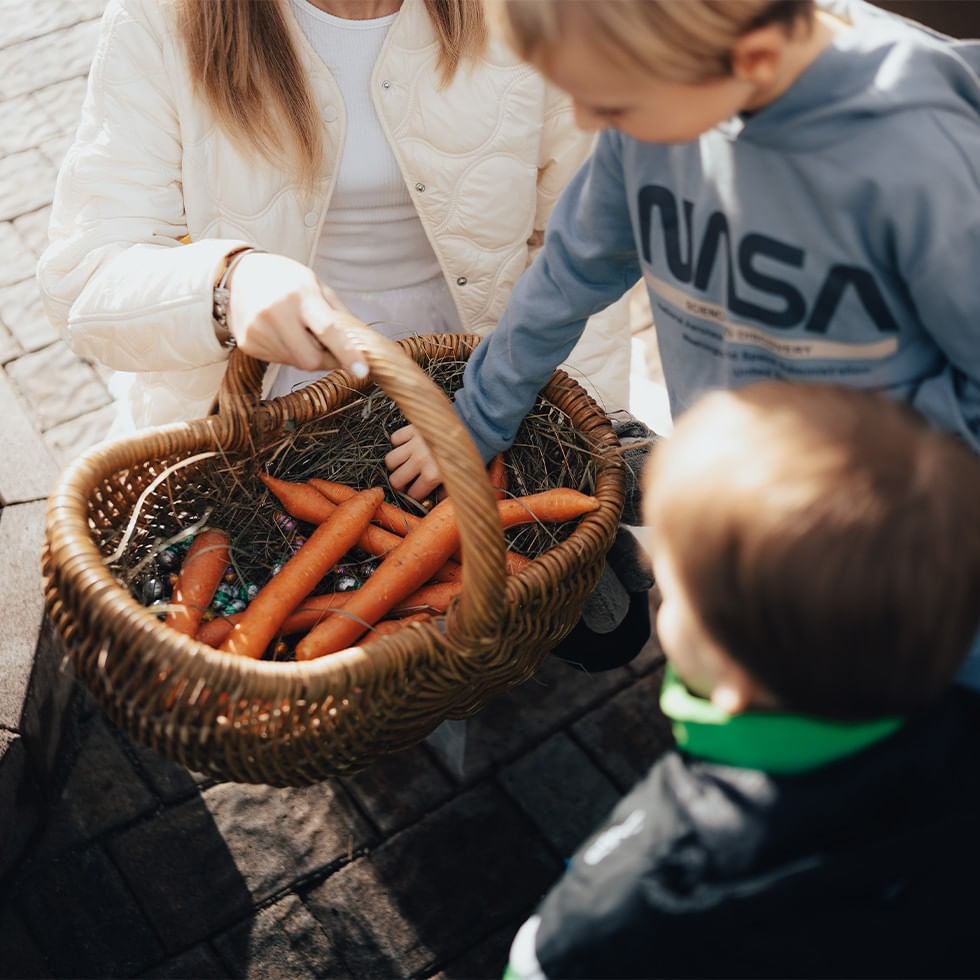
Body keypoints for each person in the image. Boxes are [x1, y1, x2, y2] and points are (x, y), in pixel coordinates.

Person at [383, 0, 980, 495]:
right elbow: (568, 275)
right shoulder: (658, 101)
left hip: (897, 552)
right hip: (728, 508)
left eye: (613, 104)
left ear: (756, 60)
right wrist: (478, 415)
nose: (590, 122)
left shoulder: (921, 158)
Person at [505, 381, 980, 979]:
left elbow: (539, 965)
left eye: (672, 596)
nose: (659, 605)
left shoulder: (640, 883)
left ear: (732, 678)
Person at [37, 0, 631, 436]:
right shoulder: (159, 21)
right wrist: (227, 286)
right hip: (251, 410)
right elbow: (86, 278)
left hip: (493, 382)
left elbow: (580, 248)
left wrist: (570, 427)